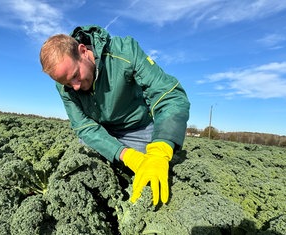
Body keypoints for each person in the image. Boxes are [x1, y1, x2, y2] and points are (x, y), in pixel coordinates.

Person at [39, 25, 190, 206]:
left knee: (162, 171)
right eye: (68, 83)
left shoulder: (124, 52)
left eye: (76, 76)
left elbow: (168, 95)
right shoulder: (65, 86)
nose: (75, 86)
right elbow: (84, 126)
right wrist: (125, 154)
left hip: (136, 128)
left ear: (83, 50)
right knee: (81, 163)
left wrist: (160, 149)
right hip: (101, 133)